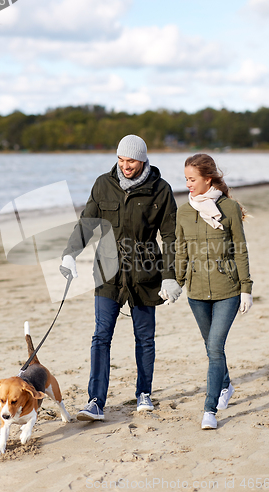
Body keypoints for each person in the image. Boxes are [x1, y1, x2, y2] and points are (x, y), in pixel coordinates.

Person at [62, 134, 182, 421]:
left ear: (142, 159)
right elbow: (87, 224)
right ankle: (95, 402)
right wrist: (69, 254)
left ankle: (144, 393)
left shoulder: (161, 189)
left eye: (131, 160)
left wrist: (170, 276)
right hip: (108, 273)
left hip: (145, 274)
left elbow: (171, 236)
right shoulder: (103, 184)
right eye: (121, 160)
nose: (125, 166)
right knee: (101, 336)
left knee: (145, 338)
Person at [175, 153, 253, 430]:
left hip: (228, 291)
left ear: (208, 179)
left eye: (192, 179)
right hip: (196, 293)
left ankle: (209, 409)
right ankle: (226, 385)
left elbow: (240, 249)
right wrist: (176, 282)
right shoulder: (184, 211)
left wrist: (246, 289)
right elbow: (181, 251)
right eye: (186, 179)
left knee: (215, 347)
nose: (188, 184)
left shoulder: (229, 207)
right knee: (212, 349)